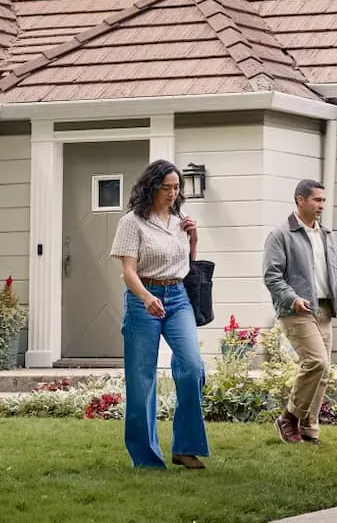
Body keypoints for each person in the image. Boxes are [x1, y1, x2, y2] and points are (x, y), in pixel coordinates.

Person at [109, 159, 209, 470]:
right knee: (142, 380)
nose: (173, 192)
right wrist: (146, 297)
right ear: (152, 186)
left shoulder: (179, 220)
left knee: (192, 368)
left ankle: (185, 447)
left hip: (178, 298)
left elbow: (186, 266)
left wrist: (193, 240)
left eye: (177, 187)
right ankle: (146, 457)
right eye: (167, 187)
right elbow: (128, 271)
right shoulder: (132, 222)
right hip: (143, 300)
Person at [264, 179, 337, 444]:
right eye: (317, 200)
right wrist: (293, 299)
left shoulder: (326, 235)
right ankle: (289, 417)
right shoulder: (281, 235)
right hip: (296, 311)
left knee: (323, 371)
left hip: (325, 309)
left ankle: (308, 429)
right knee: (316, 362)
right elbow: (272, 277)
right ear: (300, 200)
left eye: (324, 200)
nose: (322, 205)